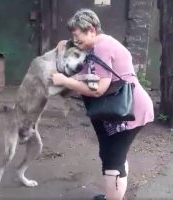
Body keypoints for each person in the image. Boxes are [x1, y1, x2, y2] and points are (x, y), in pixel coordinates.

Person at [51, 9, 154, 200]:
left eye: (76, 34)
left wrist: (64, 81)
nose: (74, 39)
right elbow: (81, 59)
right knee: (114, 155)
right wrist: (65, 45)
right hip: (122, 109)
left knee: (112, 158)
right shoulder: (98, 44)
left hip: (129, 111)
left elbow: (98, 89)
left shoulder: (102, 47)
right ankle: (113, 195)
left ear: (91, 29)